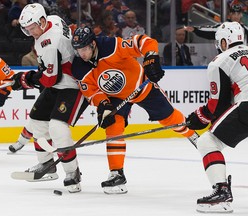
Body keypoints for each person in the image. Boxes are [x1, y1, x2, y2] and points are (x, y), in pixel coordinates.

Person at [71, 26, 199, 194]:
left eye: (85, 49)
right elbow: (92, 91)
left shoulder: (112, 46)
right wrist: (103, 105)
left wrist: (151, 58)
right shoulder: (79, 67)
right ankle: (117, 174)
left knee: (169, 119)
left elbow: (143, 41)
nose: (82, 54)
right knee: (113, 127)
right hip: (116, 97)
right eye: (78, 50)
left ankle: (192, 135)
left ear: (93, 44)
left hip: (141, 86)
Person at [11, 3, 88, 193]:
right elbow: (50, 74)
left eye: (33, 28)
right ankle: (47, 165)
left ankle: (72, 173)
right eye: (27, 30)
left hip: (73, 85)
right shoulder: (53, 20)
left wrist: (26, 79)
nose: (32, 33)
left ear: (42, 21)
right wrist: (33, 75)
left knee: (58, 128)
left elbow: (50, 78)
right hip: (57, 84)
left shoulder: (49, 42)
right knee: (37, 121)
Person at [186, 21, 247, 213]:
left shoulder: (220, 61)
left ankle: (221, 192)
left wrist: (198, 117)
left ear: (224, 41)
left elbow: (217, 104)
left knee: (207, 142)